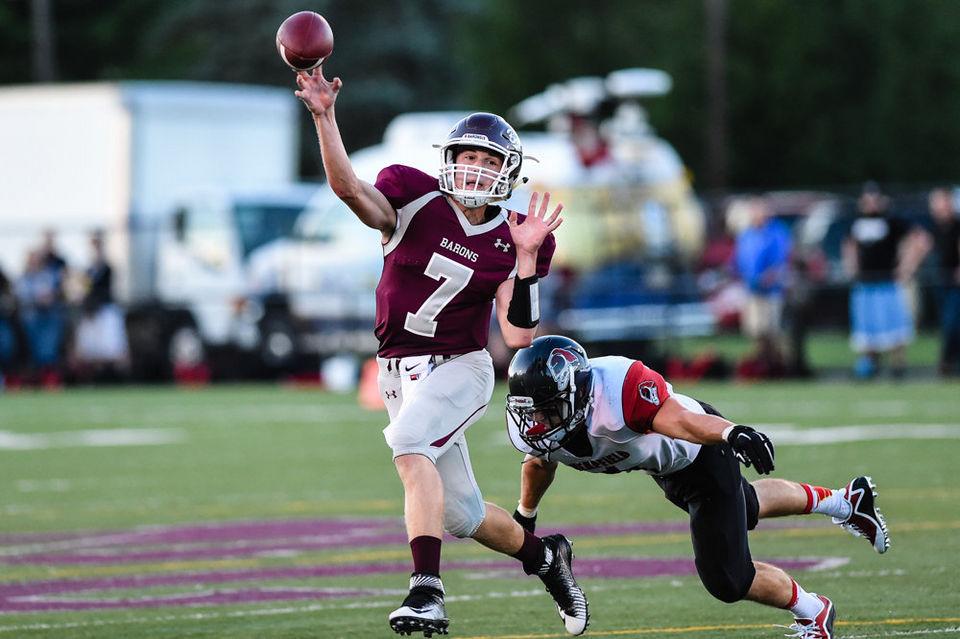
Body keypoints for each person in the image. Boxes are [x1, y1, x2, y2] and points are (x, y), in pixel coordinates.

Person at [293, 67, 589, 637]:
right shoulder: (411, 198)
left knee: (408, 447)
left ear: (508, 173)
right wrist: (325, 116)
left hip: (461, 367)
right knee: (463, 515)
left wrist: (526, 262)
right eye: (468, 157)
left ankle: (426, 590)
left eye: (487, 161)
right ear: (450, 159)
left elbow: (520, 337)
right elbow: (350, 190)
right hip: (395, 373)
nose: (475, 170)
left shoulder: (518, 235)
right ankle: (546, 557)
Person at [505, 335, 891, 639]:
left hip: (698, 454)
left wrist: (730, 433)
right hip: (665, 466)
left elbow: (683, 421)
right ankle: (846, 502)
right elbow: (540, 462)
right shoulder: (538, 427)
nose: (535, 423)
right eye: (530, 412)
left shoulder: (619, 390)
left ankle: (814, 612)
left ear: (578, 393)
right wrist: (526, 516)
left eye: (546, 410)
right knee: (749, 504)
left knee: (727, 578)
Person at [842, 182, 928, 379]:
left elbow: (920, 239)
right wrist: (851, 266)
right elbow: (848, 245)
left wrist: (907, 267)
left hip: (888, 282)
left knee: (895, 327)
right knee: (867, 329)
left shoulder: (892, 221)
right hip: (865, 283)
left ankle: (898, 366)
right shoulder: (856, 223)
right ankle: (869, 366)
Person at [733, 196, 792, 378]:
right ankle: (763, 366)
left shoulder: (776, 232)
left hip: (771, 290)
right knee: (756, 330)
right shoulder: (747, 235)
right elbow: (739, 261)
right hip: (752, 290)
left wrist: (770, 277)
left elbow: (781, 259)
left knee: (772, 330)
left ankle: (781, 366)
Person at [926, 187, 960, 376]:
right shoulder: (934, 227)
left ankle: (948, 360)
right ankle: (948, 361)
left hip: (955, 283)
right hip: (941, 282)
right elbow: (921, 245)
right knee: (947, 324)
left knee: (953, 322)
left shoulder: (956, 225)